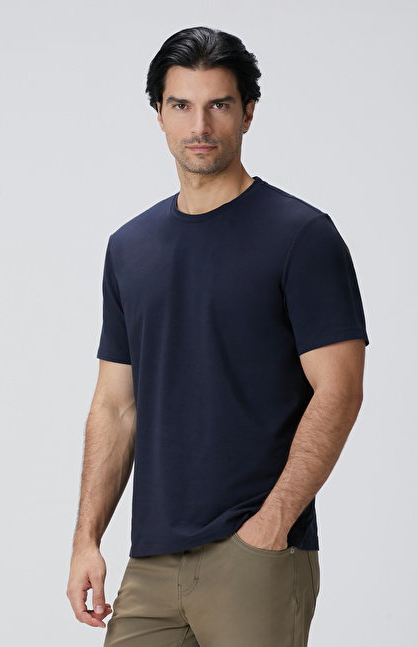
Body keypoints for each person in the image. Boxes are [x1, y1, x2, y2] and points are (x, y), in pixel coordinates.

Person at [67, 26, 368, 647]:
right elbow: (115, 406)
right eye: (181, 104)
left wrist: (271, 527)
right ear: (158, 114)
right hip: (151, 562)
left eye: (219, 104)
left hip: (255, 555)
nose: (199, 125)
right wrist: (86, 539)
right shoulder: (129, 248)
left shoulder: (302, 236)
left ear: (248, 112)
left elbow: (339, 391)